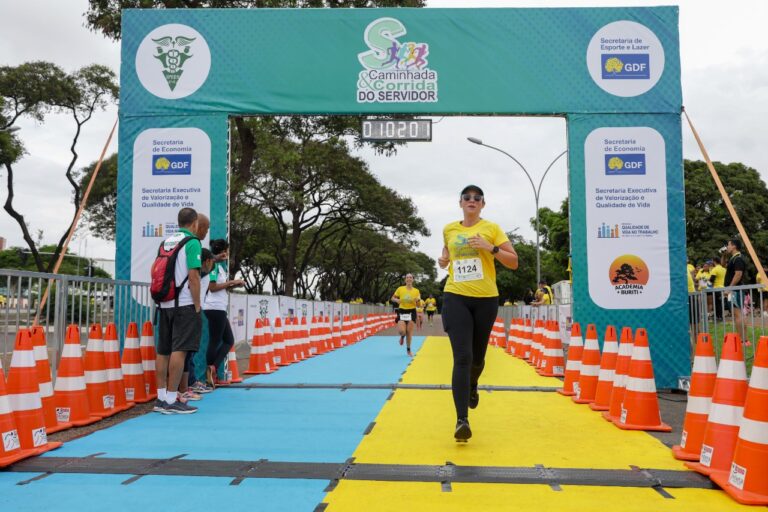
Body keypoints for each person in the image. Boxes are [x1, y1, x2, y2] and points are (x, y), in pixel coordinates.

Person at [438, 185, 518, 441]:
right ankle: (462, 420)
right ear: (460, 202)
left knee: (477, 359)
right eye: (467, 197)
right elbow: (447, 252)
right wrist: (443, 260)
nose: (472, 200)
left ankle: (473, 384)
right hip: (455, 296)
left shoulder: (492, 229)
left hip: (485, 299)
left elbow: (513, 262)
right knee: (462, 357)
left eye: (477, 198)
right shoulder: (449, 228)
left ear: (483, 204)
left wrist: (489, 247)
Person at [154, 208, 203, 415]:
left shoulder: (166, 242)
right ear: (194, 223)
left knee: (163, 351)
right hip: (183, 304)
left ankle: (161, 397)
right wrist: (197, 304)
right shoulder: (192, 242)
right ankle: (173, 399)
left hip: (164, 303)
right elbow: (194, 276)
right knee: (179, 350)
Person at [205, 239, 245, 388]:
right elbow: (213, 287)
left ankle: (212, 371)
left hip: (218, 307)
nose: (227, 253)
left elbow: (221, 287)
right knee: (215, 341)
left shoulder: (219, 267)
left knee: (228, 340)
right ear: (221, 251)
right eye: (227, 250)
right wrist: (230, 283)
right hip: (214, 308)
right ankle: (210, 374)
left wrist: (234, 283)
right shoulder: (214, 265)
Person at [182, 248, 216, 401]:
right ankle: (188, 385)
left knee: (187, 351)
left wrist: (216, 257)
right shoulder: (198, 274)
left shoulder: (191, 271)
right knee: (188, 351)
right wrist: (197, 307)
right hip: (191, 310)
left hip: (182, 310)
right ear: (206, 261)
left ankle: (187, 384)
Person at [391, 274, 420, 356]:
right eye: (407, 277)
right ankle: (402, 336)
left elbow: (418, 305)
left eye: (411, 277)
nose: (409, 279)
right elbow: (392, 298)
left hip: (412, 311)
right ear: (405, 280)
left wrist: (417, 300)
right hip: (402, 311)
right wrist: (397, 300)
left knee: (409, 332)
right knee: (401, 331)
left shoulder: (416, 291)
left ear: (413, 280)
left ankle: (408, 350)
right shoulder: (400, 289)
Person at [725, 239, 746, 339]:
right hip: (733, 290)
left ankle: (742, 339)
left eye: (728, 245)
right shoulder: (733, 258)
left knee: (737, 314)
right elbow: (722, 265)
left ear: (734, 246)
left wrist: (730, 288)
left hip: (735, 291)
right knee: (738, 314)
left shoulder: (738, 258)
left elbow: (738, 274)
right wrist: (724, 254)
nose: (727, 247)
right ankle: (743, 339)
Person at [709, 256, 726, 321]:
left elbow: (711, 280)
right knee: (721, 303)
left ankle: (718, 317)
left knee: (716, 303)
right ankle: (720, 316)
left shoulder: (715, 269)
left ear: (714, 261)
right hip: (723, 288)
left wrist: (707, 281)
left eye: (712, 261)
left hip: (717, 288)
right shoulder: (724, 269)